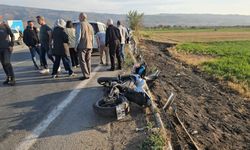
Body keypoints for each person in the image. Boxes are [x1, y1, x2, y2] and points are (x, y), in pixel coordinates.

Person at [75, 13, 94, 80]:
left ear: (82, 17)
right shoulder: (90, 25)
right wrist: (92, 45)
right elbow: (92, 36)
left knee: (82, 60)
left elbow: (78, 36)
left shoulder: (80, 25)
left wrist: (76, 45)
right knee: (88, 60)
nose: (78, 18)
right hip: (90, 45)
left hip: (82, 45)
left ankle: (86, 75)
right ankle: (89, 73)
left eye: (79, 17)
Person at [0, 18, 16, 86]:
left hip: (6, 48)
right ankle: (8, 77)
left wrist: (11, 45)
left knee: (7, 62)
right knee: (3, 64)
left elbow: (12, 35)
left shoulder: (5, 26)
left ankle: (13, 79)